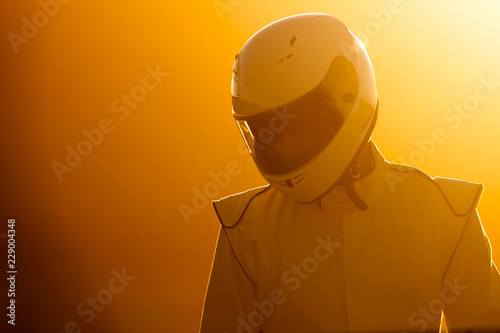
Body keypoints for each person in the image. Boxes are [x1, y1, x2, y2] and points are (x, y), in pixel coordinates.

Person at [199, 13, 500, 333]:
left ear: (343, 100)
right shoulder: (245, 228)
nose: (281, 147)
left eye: (293, 123)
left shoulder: (446, 212)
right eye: (264, 131)